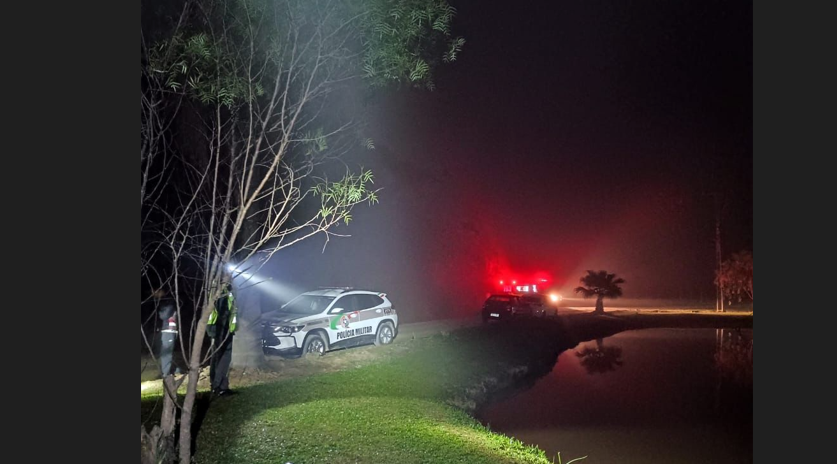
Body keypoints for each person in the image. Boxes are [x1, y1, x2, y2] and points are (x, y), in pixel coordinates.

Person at [207, 282, 237, 395]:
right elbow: (222, 313)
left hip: (225, 330)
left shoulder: (225, 291)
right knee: (220, 359)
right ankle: (217, 387)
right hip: (220, 330)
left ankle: (222, 387)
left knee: (222, 359)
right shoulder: (221, 292)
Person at [155, 289, 178, 377]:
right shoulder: (164, 302)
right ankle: (170, 370)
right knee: (165, 352)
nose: (154, 294)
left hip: (169, 330)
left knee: (166, 353)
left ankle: (166, 374)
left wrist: (159, 311)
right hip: (166, 330)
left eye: (155, 291)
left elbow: (164, 315)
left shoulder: (169, 302)